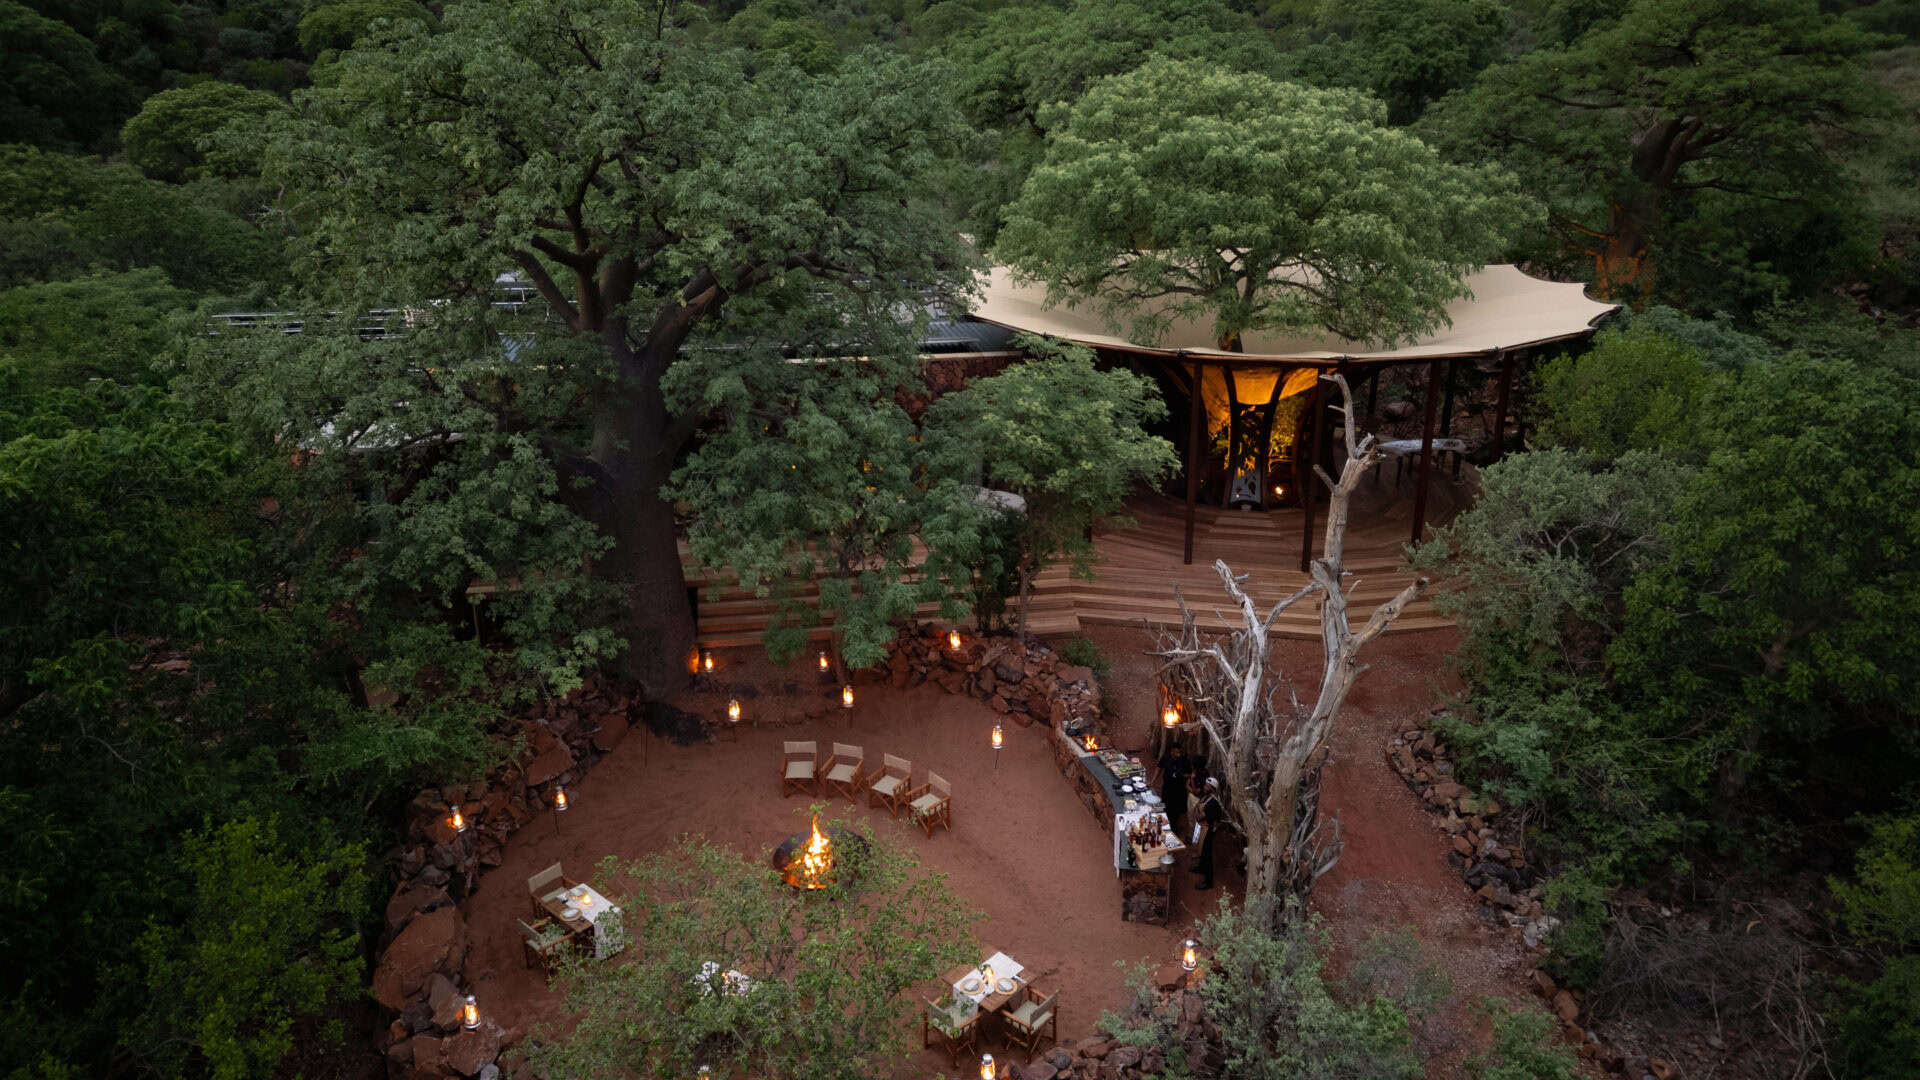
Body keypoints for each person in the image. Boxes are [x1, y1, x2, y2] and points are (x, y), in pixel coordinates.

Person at [1190, 776, 1226, 891]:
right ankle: (1201, 868)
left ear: (1213, 789)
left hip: (1208, 830)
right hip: (1203, 827)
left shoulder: (1213, 803)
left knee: (1206, 854)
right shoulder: (1207, 797)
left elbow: (1199, 817)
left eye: (1207, 786)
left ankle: (1208, 882)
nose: (1205, 787)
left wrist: (1195, 810)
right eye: (1205, 785)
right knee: (1201, 850)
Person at [1157, 742, 1190, 830]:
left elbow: (1190, 774)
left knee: (1176, 810)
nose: (1178, 755)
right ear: (1172, 751)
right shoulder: (1166, 758)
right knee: (1166, 806)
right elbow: (1159, 768)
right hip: (1167, 788)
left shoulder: (1184, 760)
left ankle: (1173, 827)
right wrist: (1153, 781)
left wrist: (1182, 775)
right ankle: (1164, 824)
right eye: (1176, 752)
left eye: (1180, 752)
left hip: (1179, 790)